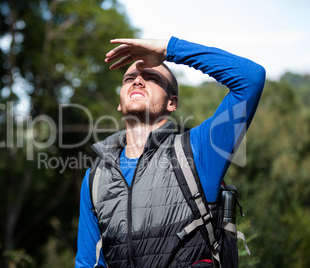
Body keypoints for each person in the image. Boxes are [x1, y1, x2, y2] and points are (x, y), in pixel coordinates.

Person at [75, 36, 265, 267]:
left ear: (172, 103)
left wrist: (168, 50)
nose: (137, 81)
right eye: (129, 79)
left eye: (151, 76)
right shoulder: (96, 177)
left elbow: (250, 79)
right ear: (119, 103)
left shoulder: (198, 149)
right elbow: (87, 262)